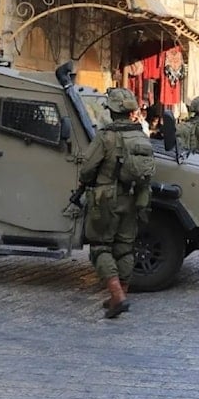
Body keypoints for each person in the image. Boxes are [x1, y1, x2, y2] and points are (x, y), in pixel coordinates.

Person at [79, 88, 155, 319]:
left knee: (101, 247)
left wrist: (87, 181)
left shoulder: (106, 136)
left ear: (112, 111)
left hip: (106, 199)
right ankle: (120, 295)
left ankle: (117, 296)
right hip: (132, 198)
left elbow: (87, 168)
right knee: (125, 248)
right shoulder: (141, 136)